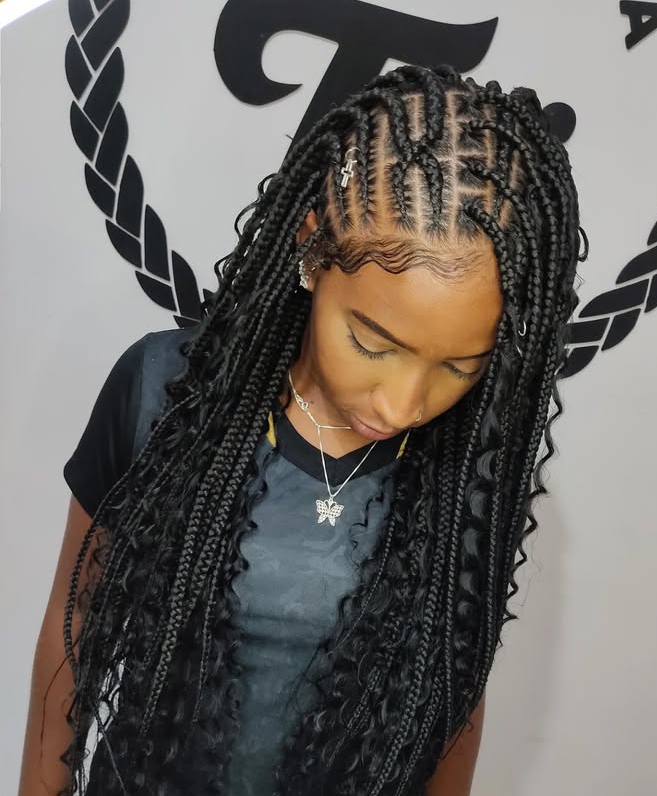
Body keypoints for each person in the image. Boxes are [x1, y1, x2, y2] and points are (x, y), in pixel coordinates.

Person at [17, 64, 586, 796]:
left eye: (459, 366)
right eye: (373, 343)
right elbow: (70, 641)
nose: (404, 404)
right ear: (315, 250)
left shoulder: (465, 469)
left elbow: (452, 708)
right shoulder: (165, 396)